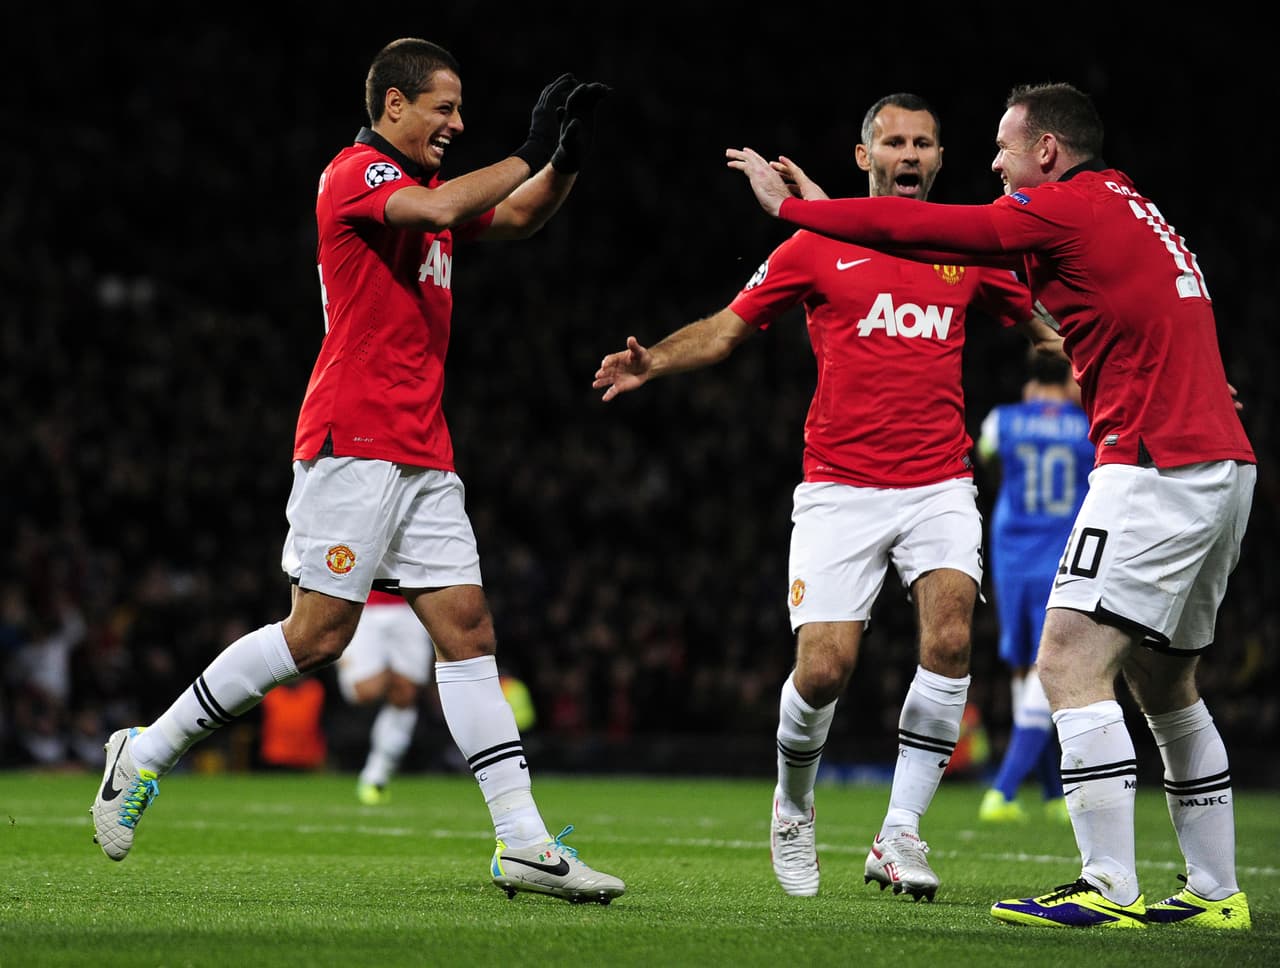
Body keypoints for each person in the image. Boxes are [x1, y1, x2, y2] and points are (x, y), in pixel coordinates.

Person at [92, 37, 624, 906]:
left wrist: (561, 163)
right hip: (352, 438)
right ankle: (143, 751)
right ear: (392, 108)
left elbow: (519, 219)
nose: (456, 122)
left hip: (421, 447)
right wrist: (528, 146)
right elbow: (449, 208)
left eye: (460, 109)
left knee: (468, 631)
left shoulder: (421, 192)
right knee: (317, 636)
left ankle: (523, 842)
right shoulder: (357, 175)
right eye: (443, 108)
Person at [731, 82, 1255, 929]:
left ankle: (1108, 886)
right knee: (1167, 682)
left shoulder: (1055, 209)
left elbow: (931, 231)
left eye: (1004, 149)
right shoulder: (1128, 203)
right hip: (1220, 459)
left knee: (1066, 666)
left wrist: (799, 213)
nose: (992, 164)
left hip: (1152, 464)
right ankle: (1216, 893)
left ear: (1046, 152)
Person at [594, 93, 1059, 901]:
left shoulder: (967, 248)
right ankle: (794, 801)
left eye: (923, 144)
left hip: (938, 481)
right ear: (863, 157)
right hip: (839, 490)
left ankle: (900, 832)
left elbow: (1050, 331)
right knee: (824, 671)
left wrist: (1153, 376)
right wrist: (654, 362)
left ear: (940, 161)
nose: (909, 155)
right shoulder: (815, 247)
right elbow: (729, 327)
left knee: (950, 640)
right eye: (894, 142)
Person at [976, 347, 1092, 826]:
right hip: (1062, 552)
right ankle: (1002, 791)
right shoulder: (1088, 424)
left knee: (1027, 671)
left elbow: (988, 460)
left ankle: (1050, 794)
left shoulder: (1002, 420)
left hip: (1010, 552)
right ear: (1070, 378)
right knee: (1048, 670)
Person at [337, 589, 434, 805]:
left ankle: (377, 773)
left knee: (405, 694)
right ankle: (350, 660)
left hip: (409, 604)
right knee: (363, 691)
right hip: (362, 603)